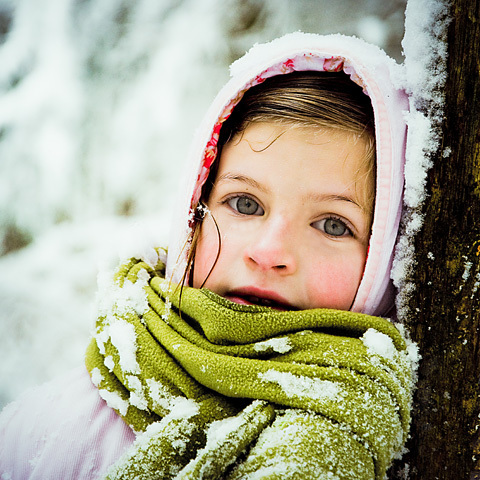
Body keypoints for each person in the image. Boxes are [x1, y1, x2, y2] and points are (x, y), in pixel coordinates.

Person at [0, 32, 415, 479]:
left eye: (333, 224)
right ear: (193, 213)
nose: (269, 252)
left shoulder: (410, 447)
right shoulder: (47, 433)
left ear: (384, 258)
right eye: (245, 204)